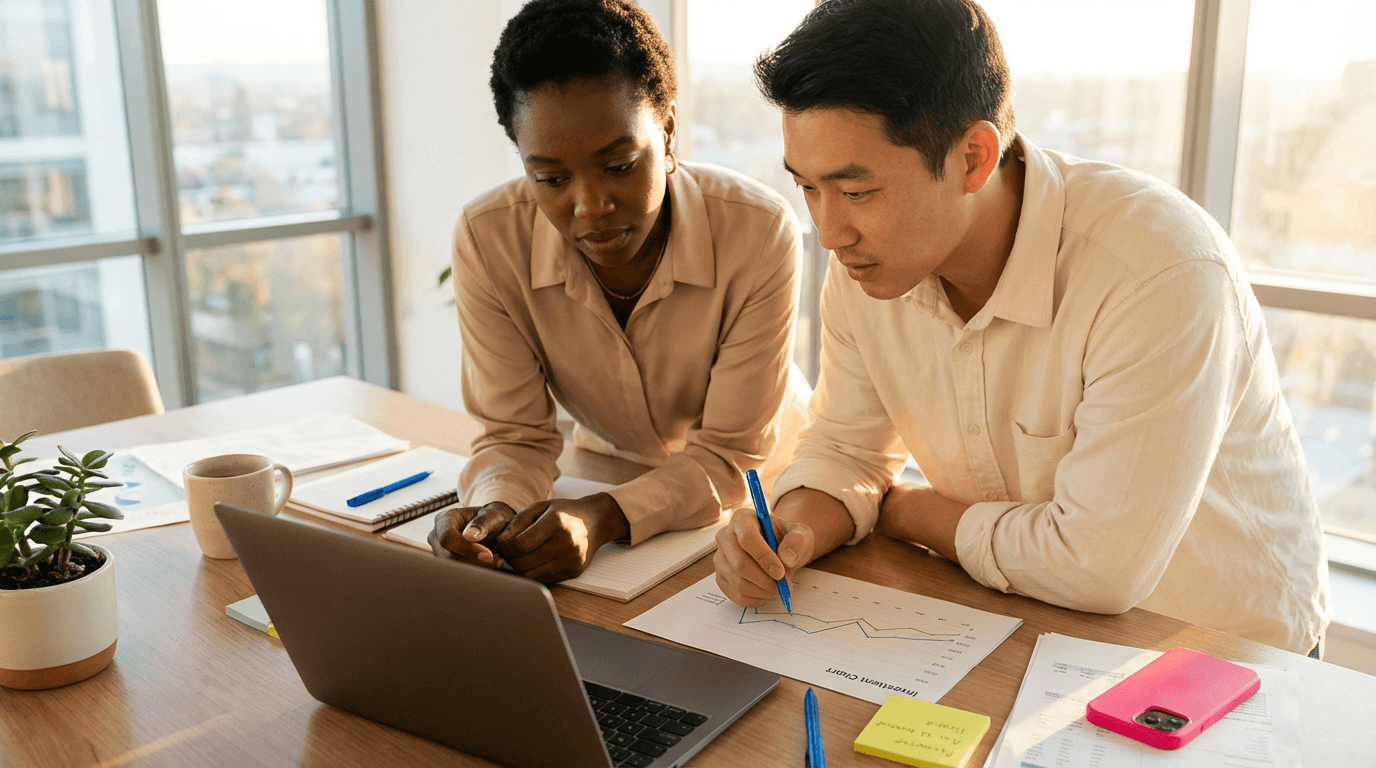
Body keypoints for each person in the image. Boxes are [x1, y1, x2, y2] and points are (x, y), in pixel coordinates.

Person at [712, 0, 1329, 654]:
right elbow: (847, 449)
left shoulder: (1157, 269)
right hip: (1022, 621)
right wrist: (790, 530)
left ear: (975, 158)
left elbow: (1097, 566)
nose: (830, 232)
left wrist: (908, 511)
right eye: (807, 189)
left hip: (1223, 649)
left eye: (856, 192)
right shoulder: (870, 268)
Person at [430, 0, 809, 584]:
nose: (590, 206)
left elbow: (730, 456)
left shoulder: (758, 231)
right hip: (609, 468)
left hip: (763, 493)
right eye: (551, 178)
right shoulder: (489, 239)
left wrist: (605, 517)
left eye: (620, 165)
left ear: (669, 131)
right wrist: (494, 513)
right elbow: (514, 437)